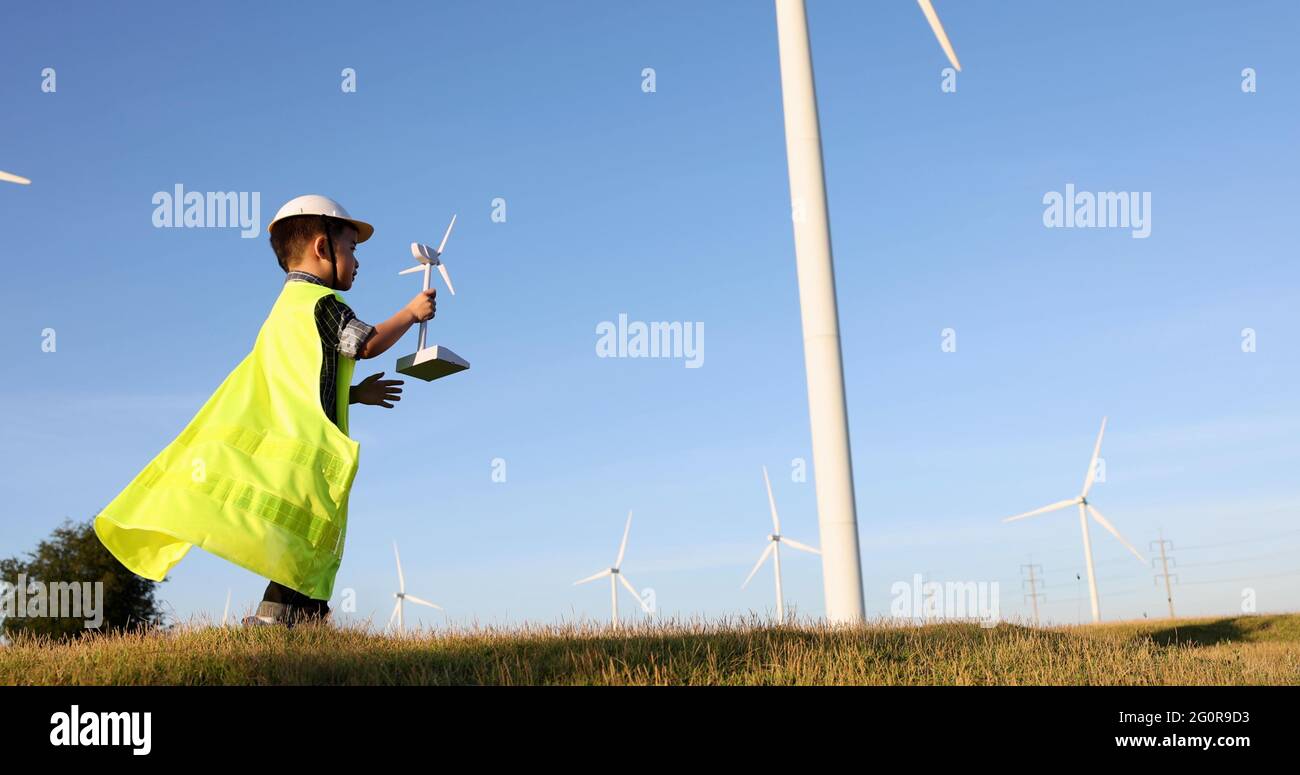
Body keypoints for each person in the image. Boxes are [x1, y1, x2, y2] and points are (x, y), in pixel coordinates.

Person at [93, 195, 436, 628]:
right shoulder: (321, 304)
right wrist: (410, 313)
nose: (357, 261)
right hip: (310, 455)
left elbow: (295, 382)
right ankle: (275, 621)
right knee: (306, 544)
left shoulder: (284, 311)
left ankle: (304, 620)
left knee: (301, 545)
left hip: (291, 452)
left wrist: (354, 395)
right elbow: (363, 344)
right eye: (351, 248)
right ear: (321, 247)